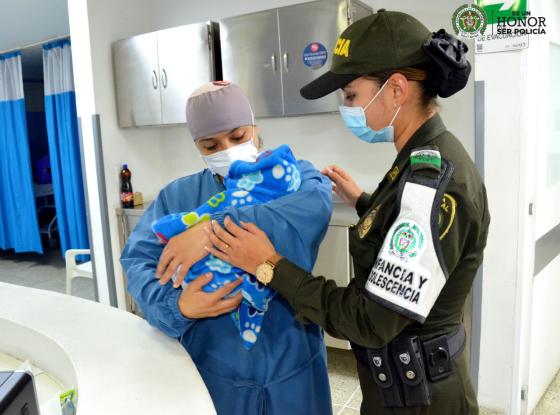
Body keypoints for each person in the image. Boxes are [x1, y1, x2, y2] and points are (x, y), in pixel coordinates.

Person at [205, 10, 490, 415]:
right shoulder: (416, 162)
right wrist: (365, 201)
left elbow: (371, 320)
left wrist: (269, 265)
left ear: (395, 90)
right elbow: (404, 229)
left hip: (422, 399)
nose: (346, 108)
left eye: (352, 95)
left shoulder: (435, 180)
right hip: (399, 385)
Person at [120, 81, 333, 415]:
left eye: (237, 137)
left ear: (255, 129)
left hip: (294, 366)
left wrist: (210, 230)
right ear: (198, 147)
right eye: (210, 145)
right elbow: (136, 262)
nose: (227, 149)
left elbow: (312, 208)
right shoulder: (177, 197)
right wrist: (180, 307)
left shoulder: (295, 177)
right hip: (215, 373)